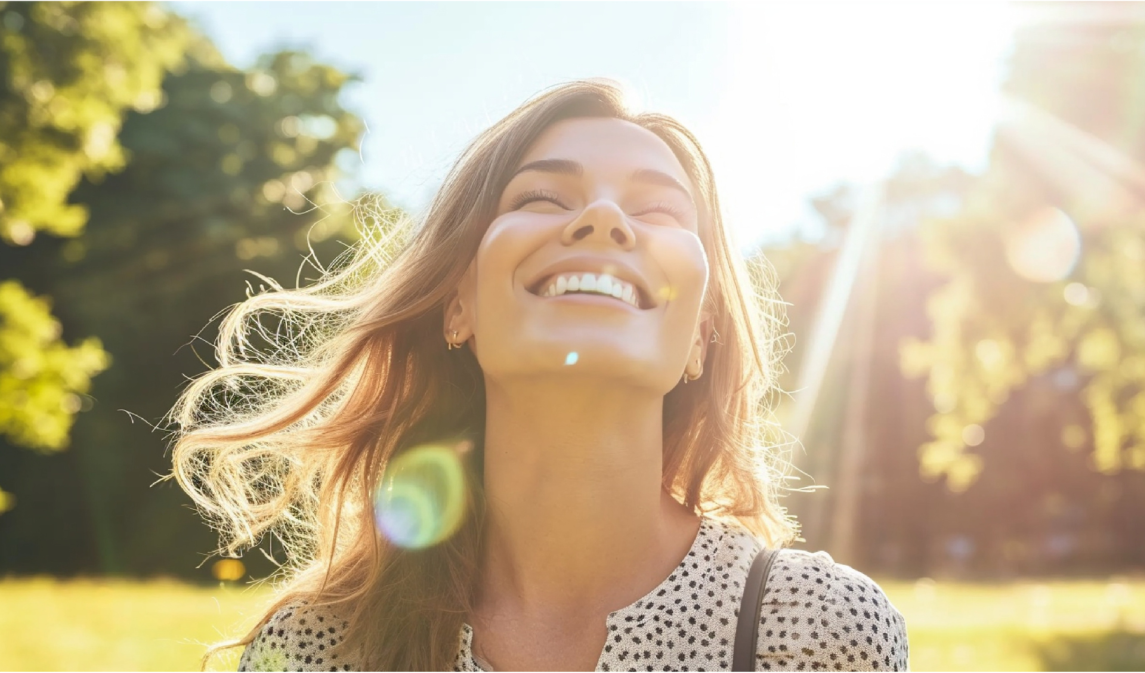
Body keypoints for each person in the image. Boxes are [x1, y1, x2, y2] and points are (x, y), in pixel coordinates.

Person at [170, 79, 908, 672]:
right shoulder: (314, 649)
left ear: (701, 336)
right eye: (541, 198)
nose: (604, 221)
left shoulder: (819, 629)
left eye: (656, 209)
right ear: (457, 305)